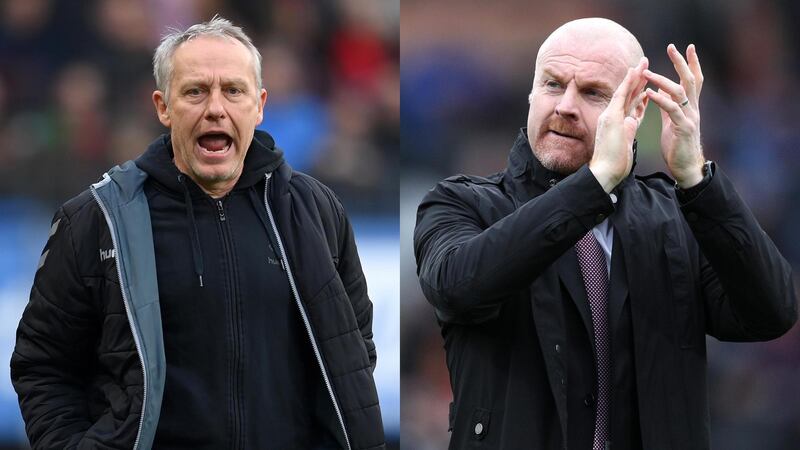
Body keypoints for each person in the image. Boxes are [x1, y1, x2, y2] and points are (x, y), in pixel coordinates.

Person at [413, 17, 796, 450]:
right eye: (553, 85)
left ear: (636, 111)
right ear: (531, 94)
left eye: (593, 93)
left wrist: (697, 180)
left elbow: (772, 311)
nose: (566, 106)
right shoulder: (461, 203)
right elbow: (458, 286)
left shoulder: (677, 216)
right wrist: (593, 186)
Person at [11, 16, 384, 450]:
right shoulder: (97, 220)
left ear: (259, 105)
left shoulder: (316, 212)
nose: (215, 108)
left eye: (233, 90)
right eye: (195, 91)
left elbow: (352, 352)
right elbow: (43, 365)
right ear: (162, 106)